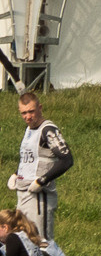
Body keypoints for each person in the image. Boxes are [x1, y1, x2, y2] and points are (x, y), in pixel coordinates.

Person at [12, 91, 72, 241]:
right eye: (24, 113)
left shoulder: (48, 130)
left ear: (40, 107)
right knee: (23, 239)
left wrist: (42, 181)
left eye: (31, 111)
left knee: (41, 240)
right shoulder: (29, 129)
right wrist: (16, 173)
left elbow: (67, 159)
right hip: (23, 193)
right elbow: (31, 158)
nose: (28, 117)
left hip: (39, 195)